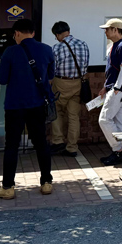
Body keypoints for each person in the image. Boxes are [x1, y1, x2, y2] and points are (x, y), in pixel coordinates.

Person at [0, 19, 55, 199]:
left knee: (11, 145)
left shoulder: (10, 51)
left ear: (17, 33)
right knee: (41, 143)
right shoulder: (47, 50)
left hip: (14, 105)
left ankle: (8, 187)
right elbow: (50, 75)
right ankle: (46, 183)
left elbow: (2, 79)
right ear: (33, 32)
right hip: (37, 104)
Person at [49, 20, 90, 158]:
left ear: (59, 34)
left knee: (57, 111)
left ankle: (58, 141)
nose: (56, 38)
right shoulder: (83, 44)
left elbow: (52, 69)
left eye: (56, 35)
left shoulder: (57, 48)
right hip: (78, 83)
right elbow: (86, 66)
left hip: (61, 82)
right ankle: (72, 148)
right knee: (73, 116)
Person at [96, 18, 122, 166]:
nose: (105, 32)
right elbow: (115, 69)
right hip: (117, 89)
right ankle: (120, 150)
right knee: (117, 120)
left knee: (104, 119)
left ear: (116, 30)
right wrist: (107, 86)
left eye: (108, 29)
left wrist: (116, 87)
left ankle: (118, 150)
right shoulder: (117, 45)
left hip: (118, 90)